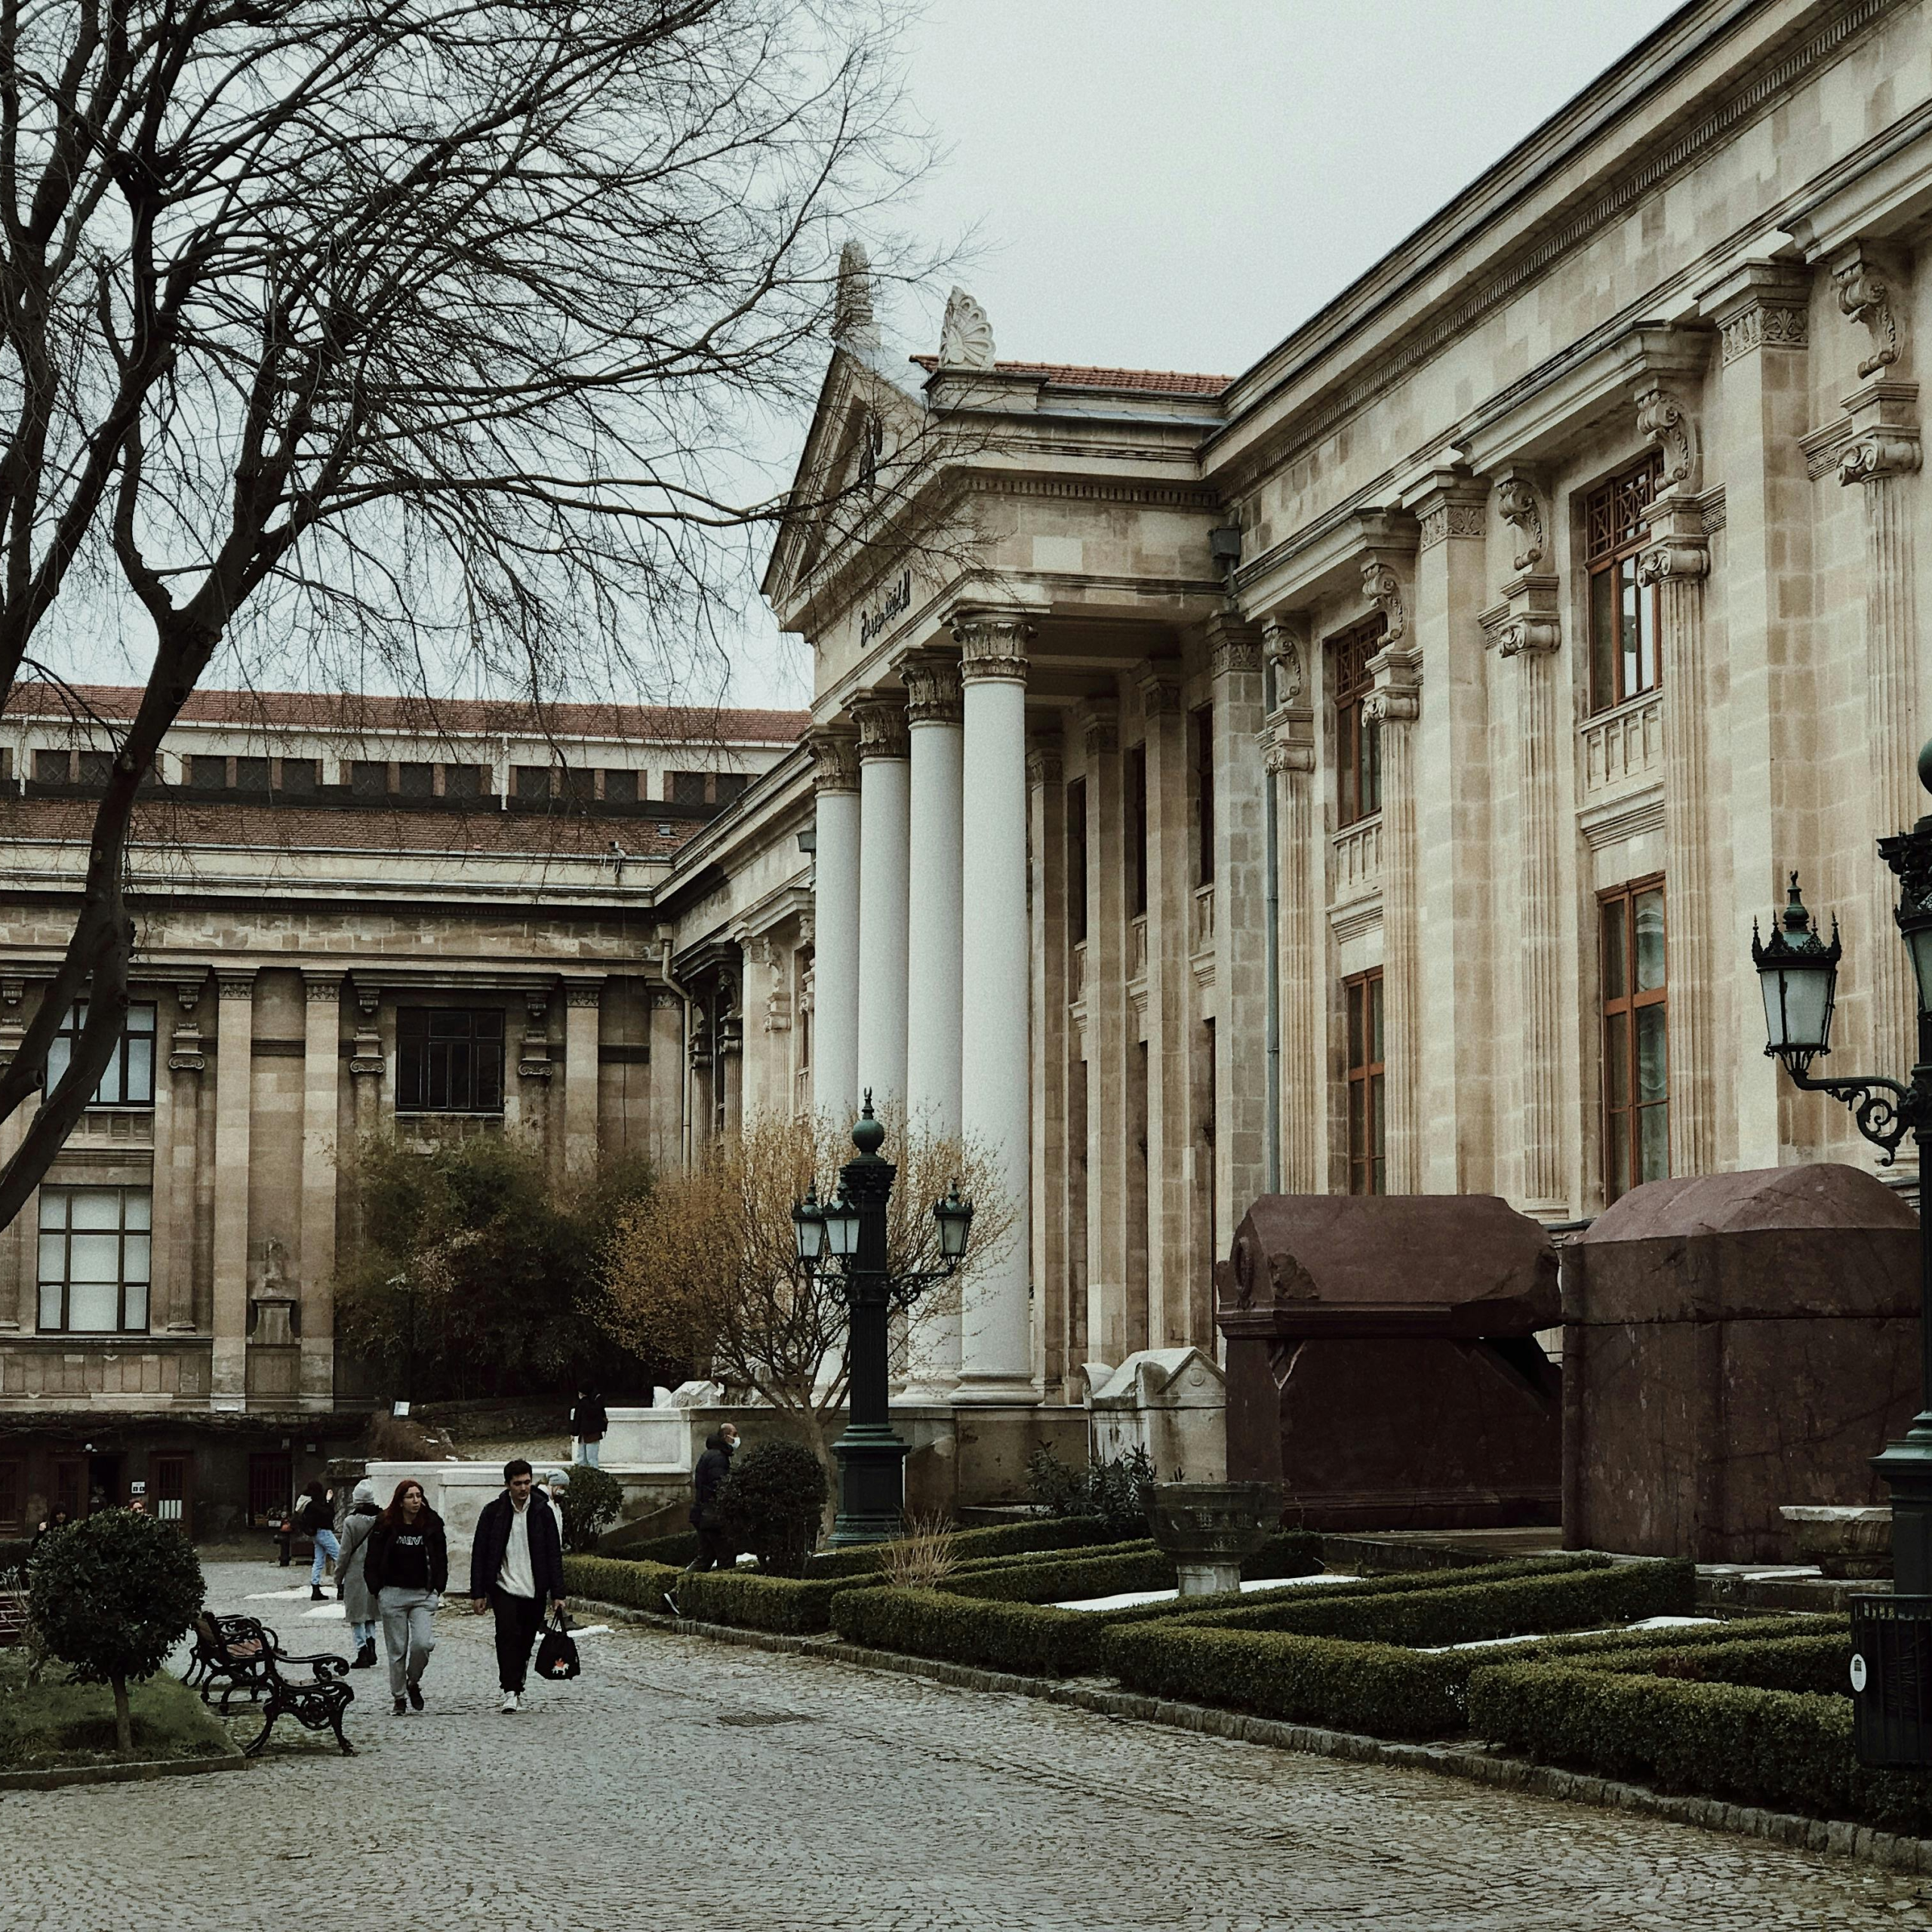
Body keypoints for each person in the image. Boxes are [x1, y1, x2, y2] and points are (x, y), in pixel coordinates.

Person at [468, 1458, 567, 1714]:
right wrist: (478, 1592)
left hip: (534, 1588)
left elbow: (553, 1554)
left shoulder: (543, 1511)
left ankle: (518, 1680)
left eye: (527, 1482)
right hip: (504, 1586)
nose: (523, 1488)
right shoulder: (493, 1512)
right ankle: (510, 1690)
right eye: (517, 1483)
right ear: (507, 1485)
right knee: (506, 1636)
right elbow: (480, 1553)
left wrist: (558, 1593)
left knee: (525, 1640)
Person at [362, 1478, 448, 1715]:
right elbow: (373, 1558)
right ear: (400, 1501)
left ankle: (413, 1681)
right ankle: (399, 1697)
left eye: (419, 1496)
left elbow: (441, 1556)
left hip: (423, 1594)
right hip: (393, 1594)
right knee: (397, 1649)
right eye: (410, 1496)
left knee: (423, 1644)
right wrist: (376, 1589)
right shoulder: (385, 1524)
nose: (416, 1501)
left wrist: (439, 1586)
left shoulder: (431, 1523)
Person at [334, 1478, 383, 1669]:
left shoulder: (351, 1522)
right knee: (370, 1613)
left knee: (356, 1615)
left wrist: (338, 1577)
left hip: (355, 1574)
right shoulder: (382, 1520)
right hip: (376, 1573)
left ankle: (362, 1651)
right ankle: (372, 1647)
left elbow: (344, 1552)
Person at [685, 1423, 739, 1573]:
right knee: (726, 1558)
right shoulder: (718, 1458)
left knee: (705, 1558)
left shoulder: (711, 1455)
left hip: (704, 1515)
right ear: (725, 1436)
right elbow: (719, 1486)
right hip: (712, 1516)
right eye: (734, 1435)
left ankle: (676, 1592)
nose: (736, 1439)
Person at [297, 1479, 338, 1603]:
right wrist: (329, 1501)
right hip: (324, 1532)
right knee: (340, 1556)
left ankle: (315, 1588)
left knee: (318, 1561)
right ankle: (342, 1586)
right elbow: (329, 1514)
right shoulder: (316, 1504)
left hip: (316, 1534)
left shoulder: (309, 1504)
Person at [570, 1387, 608, 1467]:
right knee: (592, 1459)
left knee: (581, 1458)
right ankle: (594, 1476)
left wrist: (574, 1433)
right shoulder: (596, 1403)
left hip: (583, 1434)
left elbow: (577, 1420)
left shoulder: (581, 1405)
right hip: (594, 1435)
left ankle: (582, 1476)